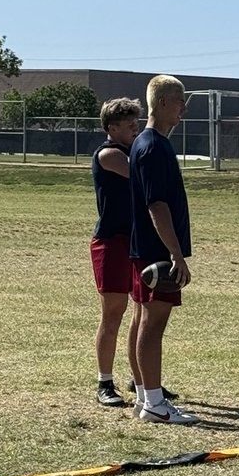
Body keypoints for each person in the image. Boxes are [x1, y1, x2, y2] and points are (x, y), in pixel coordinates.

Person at [128, 75, 197, 425]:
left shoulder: (146, 142)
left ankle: (145, 397)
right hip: (155, 251)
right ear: (164, 102)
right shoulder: (154, 146)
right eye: (180, 100)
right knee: (152, 324)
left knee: (142, 320)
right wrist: (176, 254)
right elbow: (157, 205)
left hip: (144, 250)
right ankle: (154, 404)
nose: (184, 107)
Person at [90, 98, 142, 407]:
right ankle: (104, 383)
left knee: (142, 311)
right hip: (111, 241)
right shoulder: (109, 154)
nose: (136, 127)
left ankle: (140, 378)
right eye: (129, 123)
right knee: (113, 313)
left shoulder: (135, 150)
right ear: (112, 128)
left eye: (137, 121)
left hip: (136, 241)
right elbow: (141, 176)